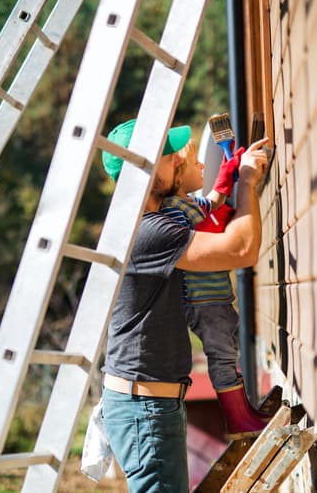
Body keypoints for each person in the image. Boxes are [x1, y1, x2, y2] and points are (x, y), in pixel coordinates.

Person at [99, 117, 269, 492]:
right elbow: (241, 250)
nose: (179, 159)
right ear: (141, 171)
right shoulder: (147, 230)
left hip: (151, 402)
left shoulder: (153, 221)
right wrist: (248, 185)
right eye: (167, 156)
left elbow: (207, 211)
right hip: (145, 408)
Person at [160, 139, 273, 440]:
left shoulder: (190, 203)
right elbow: (210, 220)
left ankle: (244, 413)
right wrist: (235, 185)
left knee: (228, 353)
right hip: (203, 302)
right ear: (178, 177)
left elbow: (213, 202)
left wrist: (227, 171)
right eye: (195, 164)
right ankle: (237, 420)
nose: (201, 167)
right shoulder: (173, 209)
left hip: (216, 298)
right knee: (222, 355)